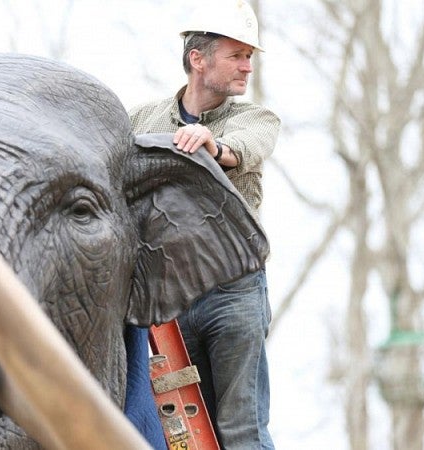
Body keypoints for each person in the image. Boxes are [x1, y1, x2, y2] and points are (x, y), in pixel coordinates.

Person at [128, 1, 280, 448]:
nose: (247, 67)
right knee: (187, 436)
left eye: (249, 57)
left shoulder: (253, 118)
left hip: (234, 291)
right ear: (198, 60)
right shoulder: (143, 121)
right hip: (171, 299)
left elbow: (242, 148)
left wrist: (211, 147)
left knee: (241, 429)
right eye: (237, 55)